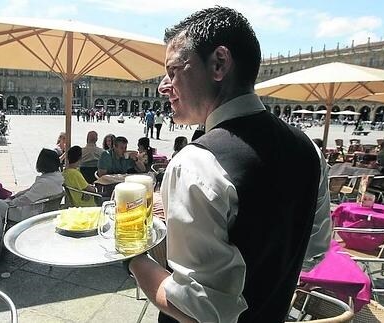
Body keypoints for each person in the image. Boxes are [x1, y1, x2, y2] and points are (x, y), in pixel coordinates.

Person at [127, 7, 330, 323]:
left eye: (173, 71)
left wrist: (132, 257)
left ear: (218, 64)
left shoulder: (196, 164)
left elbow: (196, 311)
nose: (162, 86)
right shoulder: (309, 149)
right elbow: (314, 249)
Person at [0, 149, 64, 249]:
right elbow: (30, 191)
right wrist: (15, 196)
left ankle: (1, 237)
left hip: (31, 215)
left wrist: (11, 202)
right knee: (4, 203)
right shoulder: (56, 178)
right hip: (42, 211)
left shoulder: (44, 183)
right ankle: (0, 232)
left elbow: (27, 199)